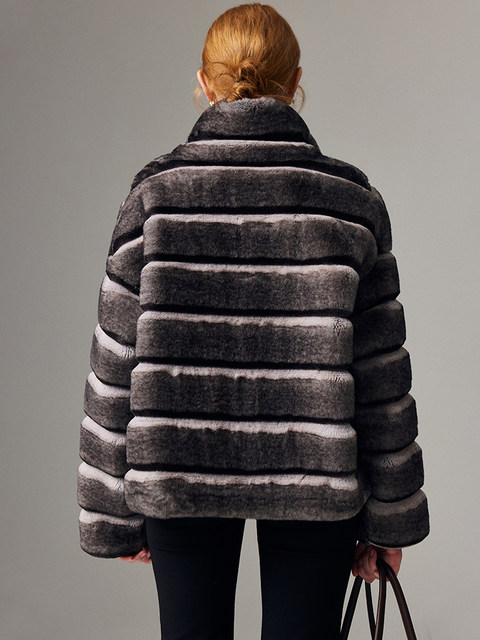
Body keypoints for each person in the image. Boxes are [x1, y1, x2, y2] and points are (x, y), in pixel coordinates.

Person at [77, 4, 429, 639]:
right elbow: (382, 378)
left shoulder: (155, 196)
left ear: (204, 82)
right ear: (296, 81)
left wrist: (112, 513)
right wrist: (390, 518)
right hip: (314, 473)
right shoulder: (350, 202)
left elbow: (114, 361)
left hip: (178, 466)